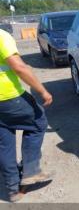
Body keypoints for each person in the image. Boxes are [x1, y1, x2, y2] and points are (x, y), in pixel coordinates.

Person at [0, 29, 53, 202]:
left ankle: (13, 190)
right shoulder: (1, 36)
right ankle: (31, 171)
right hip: (9, 97)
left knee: (5, 142)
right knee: (38, 122)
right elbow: (19, 67)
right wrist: (43, 91)